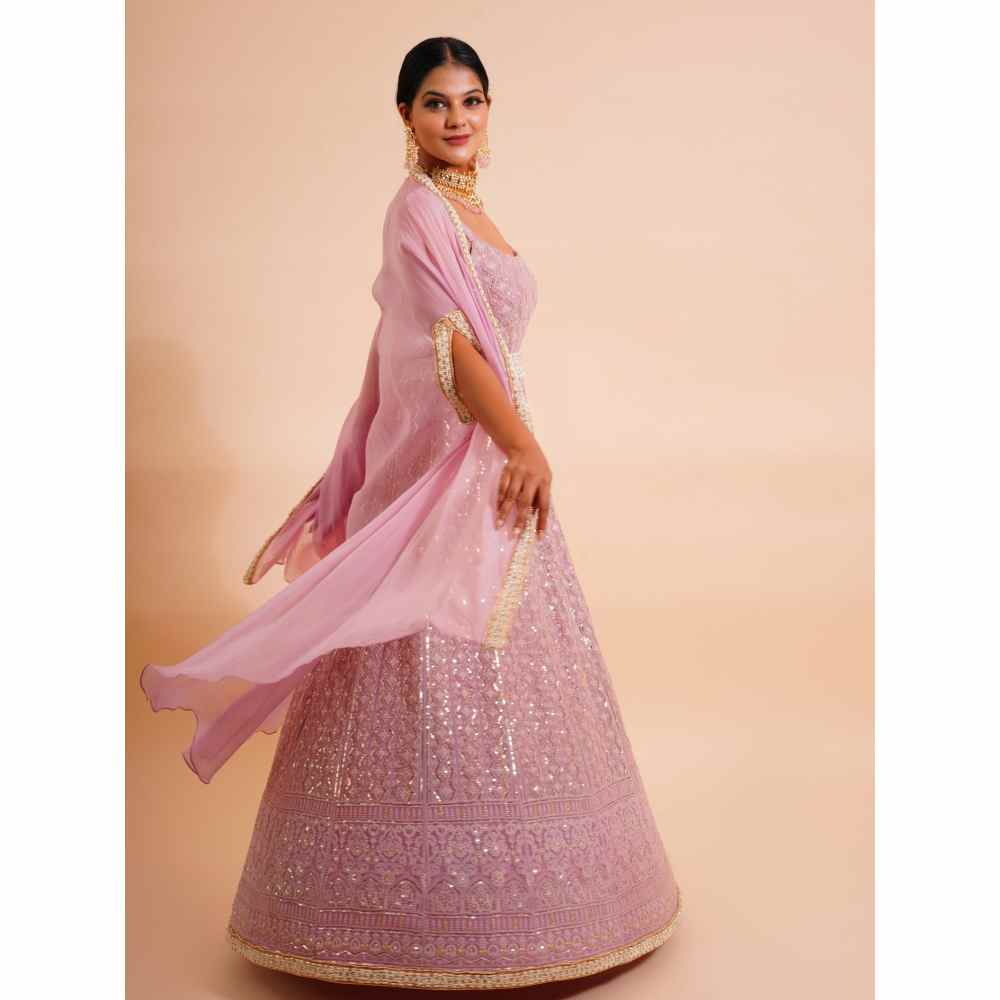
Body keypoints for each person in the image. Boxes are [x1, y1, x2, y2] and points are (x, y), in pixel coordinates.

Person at [140, 35, 684, 990]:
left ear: (489, 108)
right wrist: (523, 443)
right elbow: (451, 347)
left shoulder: (467, 208)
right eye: (436, 102)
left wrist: (510, 448)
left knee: (506, 678)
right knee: (418, 660)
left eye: (471, 100)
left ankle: (536, 906)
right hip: (463, 465)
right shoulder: (417, 211)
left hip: (487, 464)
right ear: (405, 115)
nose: (456, 118)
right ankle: (394, 924)